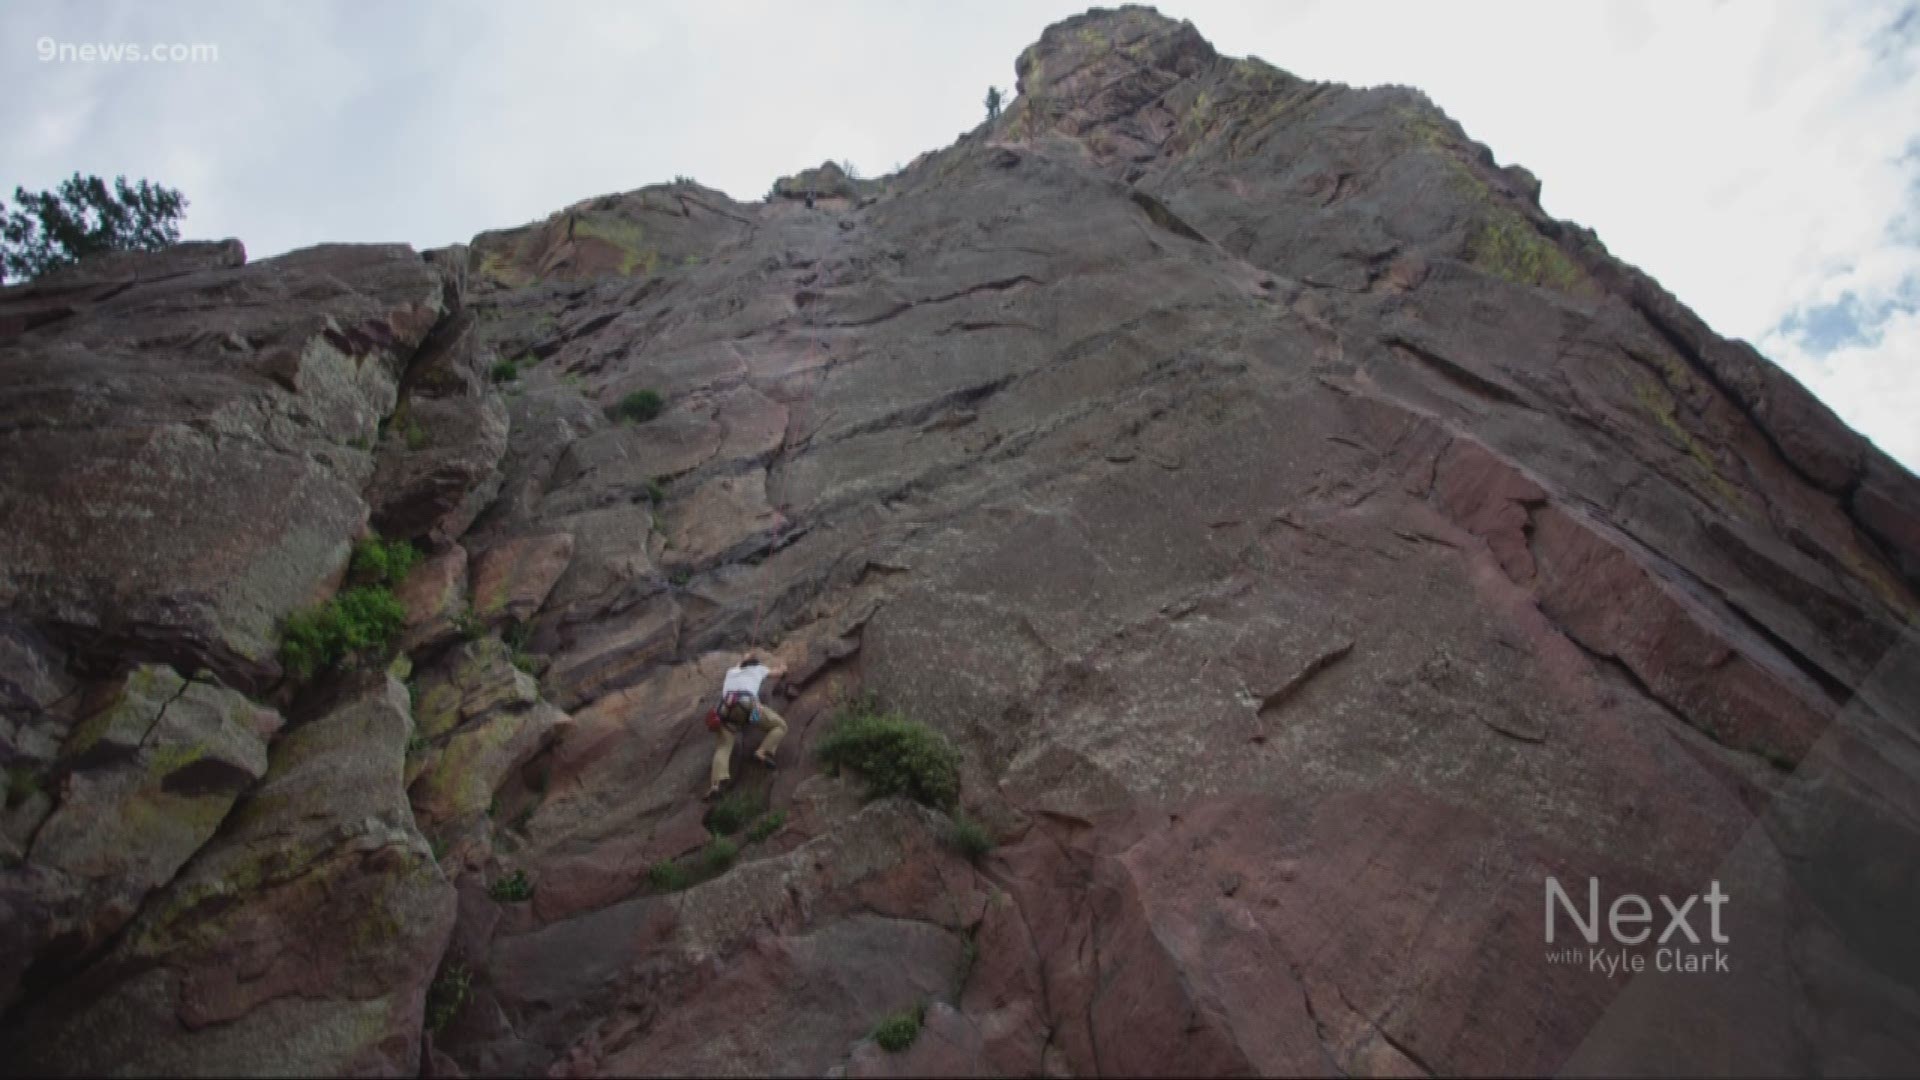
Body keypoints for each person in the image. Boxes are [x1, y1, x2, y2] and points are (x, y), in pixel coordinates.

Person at [706, 653, 789, 799]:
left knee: (723, 747)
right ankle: (762, 752)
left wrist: (745, 657)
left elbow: (740, 664)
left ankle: (715, 785)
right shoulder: (759, 669)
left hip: (725, 709)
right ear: (755, 664)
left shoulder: (731, 672)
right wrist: (783, 668)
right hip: (748, 706)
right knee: (780, 726)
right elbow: (778, 673)